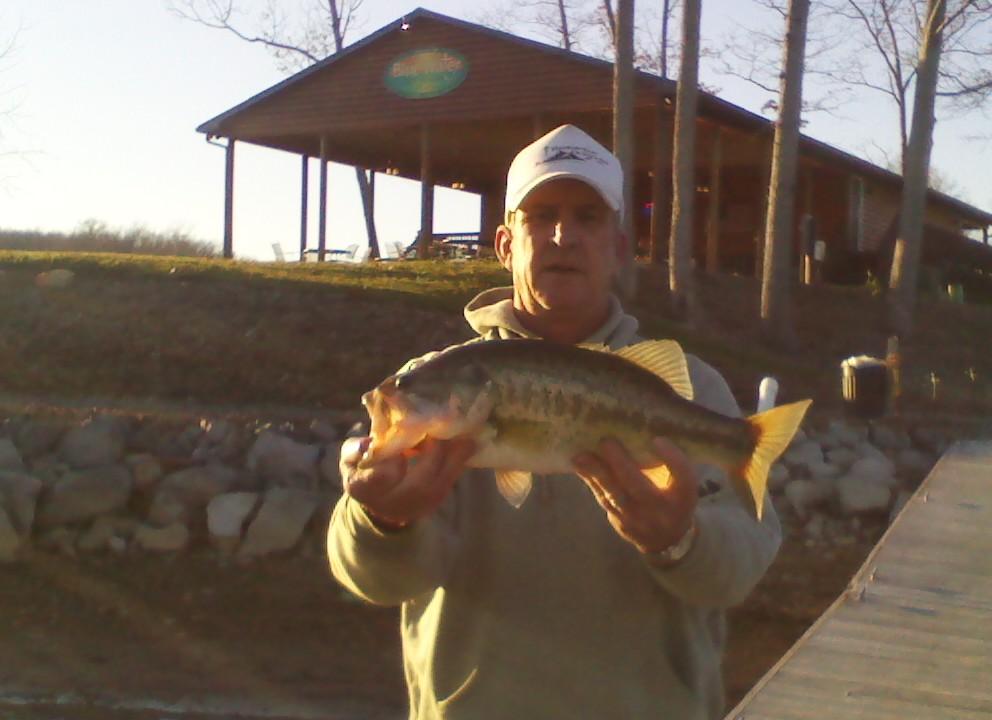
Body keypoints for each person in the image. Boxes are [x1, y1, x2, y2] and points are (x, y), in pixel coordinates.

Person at [328, 124, 781, 720]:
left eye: (588, 217)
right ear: (506, 243)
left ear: (619, 247)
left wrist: (679, 541)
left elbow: (743, 565)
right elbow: (378, 583)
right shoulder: (427, 381)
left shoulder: (693, 388)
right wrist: (380, 519)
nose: (563, 235)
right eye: (540, 216)